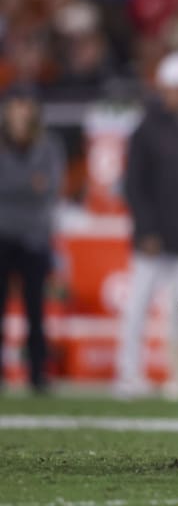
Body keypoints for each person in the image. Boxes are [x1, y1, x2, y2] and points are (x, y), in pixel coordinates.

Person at [114, 51, 178, 401]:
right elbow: (133, 186)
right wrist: (147, 230)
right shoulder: (146, 129)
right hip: (154, 239)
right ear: (169, 88)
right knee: (138, 307)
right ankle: (128, 375)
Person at [0, 89, 64, 393]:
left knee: (36, 310)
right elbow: (33, 185)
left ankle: (37, 374)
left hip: (35, 237)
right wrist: (28, 184)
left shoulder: (48, 145)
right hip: (4, 236)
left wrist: (17, 186)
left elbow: (50, 187)